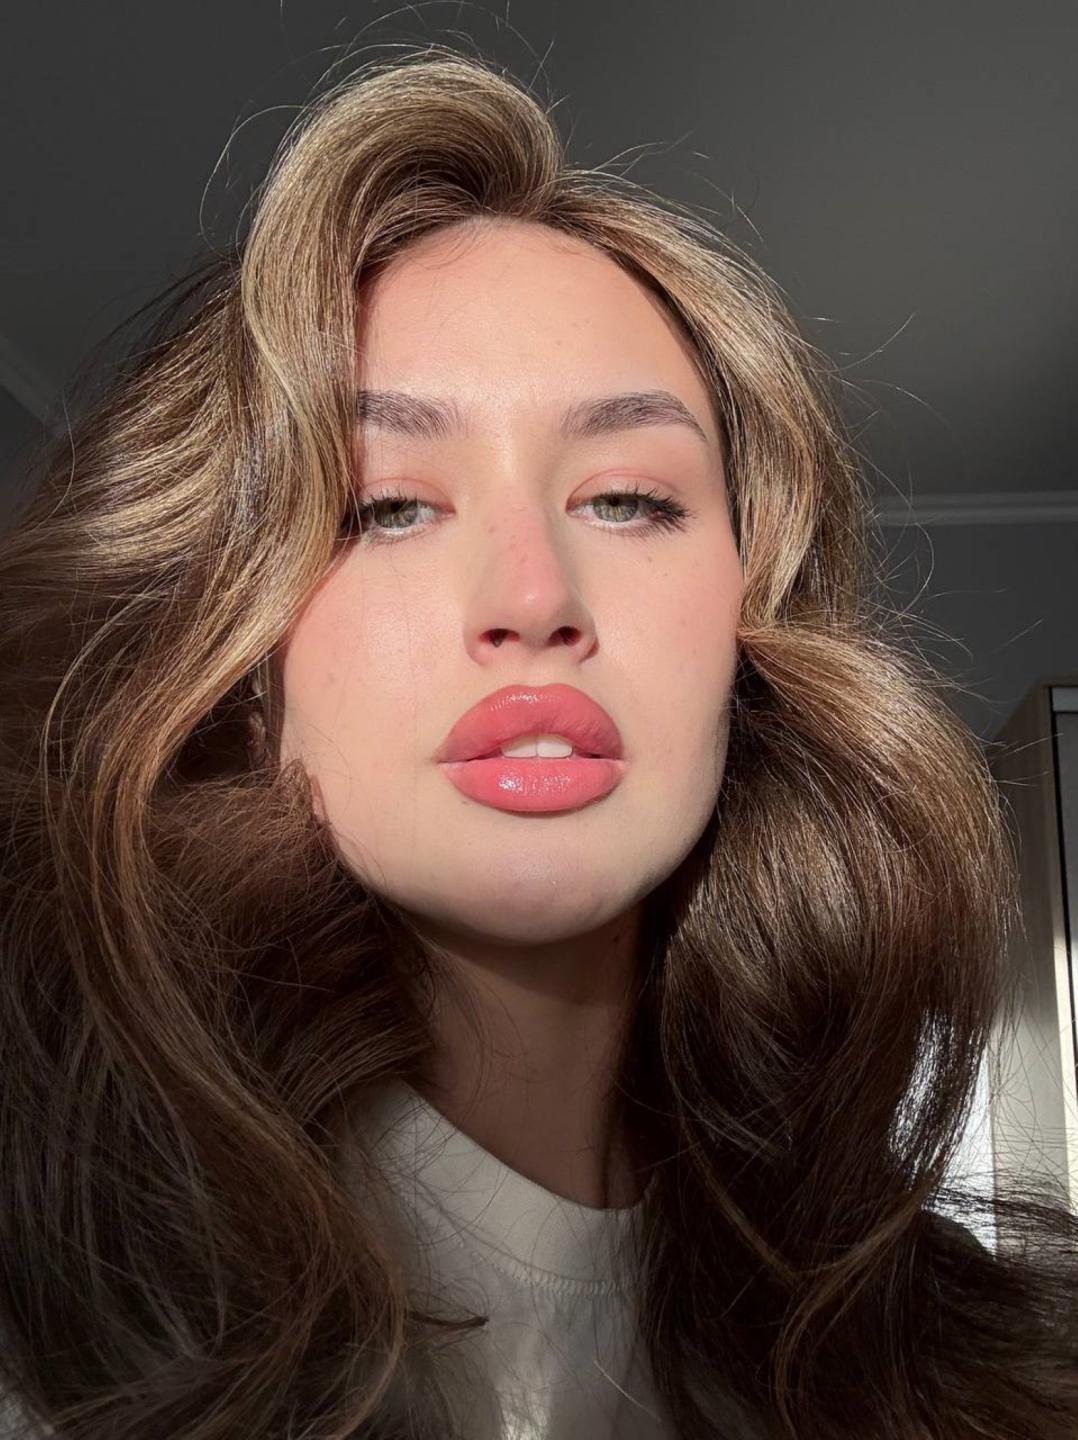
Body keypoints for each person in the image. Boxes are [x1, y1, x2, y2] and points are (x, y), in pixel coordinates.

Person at [1, 44, 1076, 1440]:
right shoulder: (58, 1338)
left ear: (747, 625)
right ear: (242, 663)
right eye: (384, 506)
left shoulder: (959, 1367)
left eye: (627, 499)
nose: (531, 597)